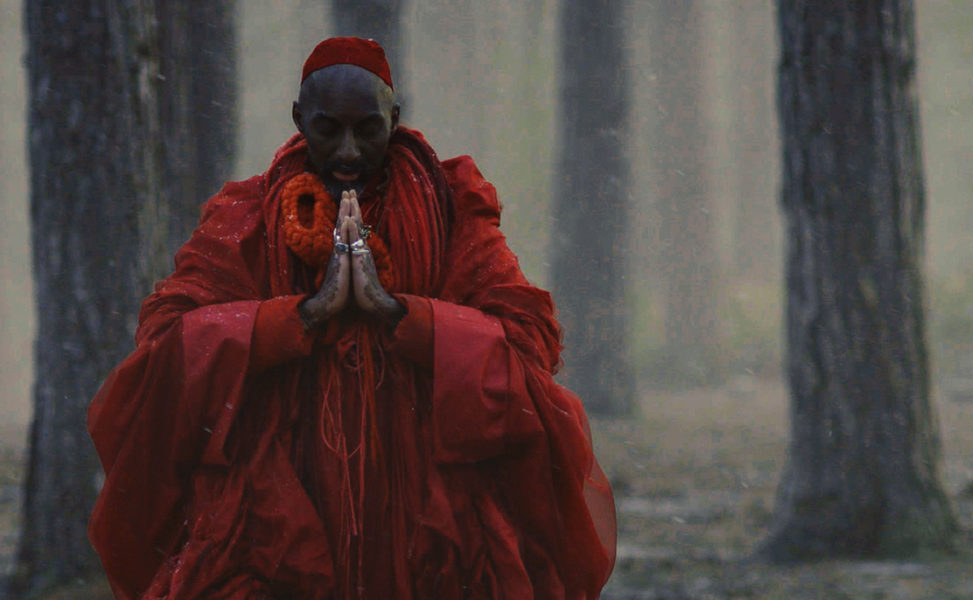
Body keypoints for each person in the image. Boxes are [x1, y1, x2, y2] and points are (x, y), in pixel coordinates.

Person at [87, 37, 616, 600]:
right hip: (280, 512)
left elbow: (527, 341)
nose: (347, 152)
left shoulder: (450, 210)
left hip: (422, 514)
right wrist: (299, 317)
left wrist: (401, 315)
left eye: (368, 129)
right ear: (298, 120)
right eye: (327, 129)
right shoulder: (246, 218)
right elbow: (168, 346)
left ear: (395, 119)